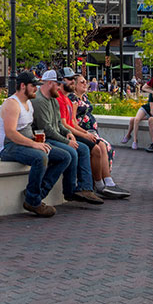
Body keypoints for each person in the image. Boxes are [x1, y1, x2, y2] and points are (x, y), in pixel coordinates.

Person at [0, 71, 70, 217]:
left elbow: (28, 129)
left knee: (64, 156)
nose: (36, 88)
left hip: (25, 143)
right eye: (33, 85)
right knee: (40, 158)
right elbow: (10, 133)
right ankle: (34, 202)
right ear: (23, 86)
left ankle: (36, 194)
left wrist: (37, 141)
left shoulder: (28, 102)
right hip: (7, 146)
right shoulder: (12, 104)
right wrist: (34, 144)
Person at [33, 69, 103, 205]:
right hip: (44, 138)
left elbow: (59, 123)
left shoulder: (52, 99)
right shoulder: (40, 101)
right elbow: (47, 129)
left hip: (55, 135)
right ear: (49, 83)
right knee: (70, 152)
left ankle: (84, 188)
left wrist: (68, 133)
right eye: (57, 84)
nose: (59, 87)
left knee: (82, 149)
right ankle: (66, 191)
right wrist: (67, 140)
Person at [72, 74, 130, 198]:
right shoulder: (74, 100)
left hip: (91, 132)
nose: (85, 83)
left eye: (85, 81)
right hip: (83, 132)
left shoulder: (85, 97)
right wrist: (86, 133)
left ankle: (106, 182)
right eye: (81, 82)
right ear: (75, 85)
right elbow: (72, 121)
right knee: (101, 146)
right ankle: (103, 183)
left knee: (106, 146)